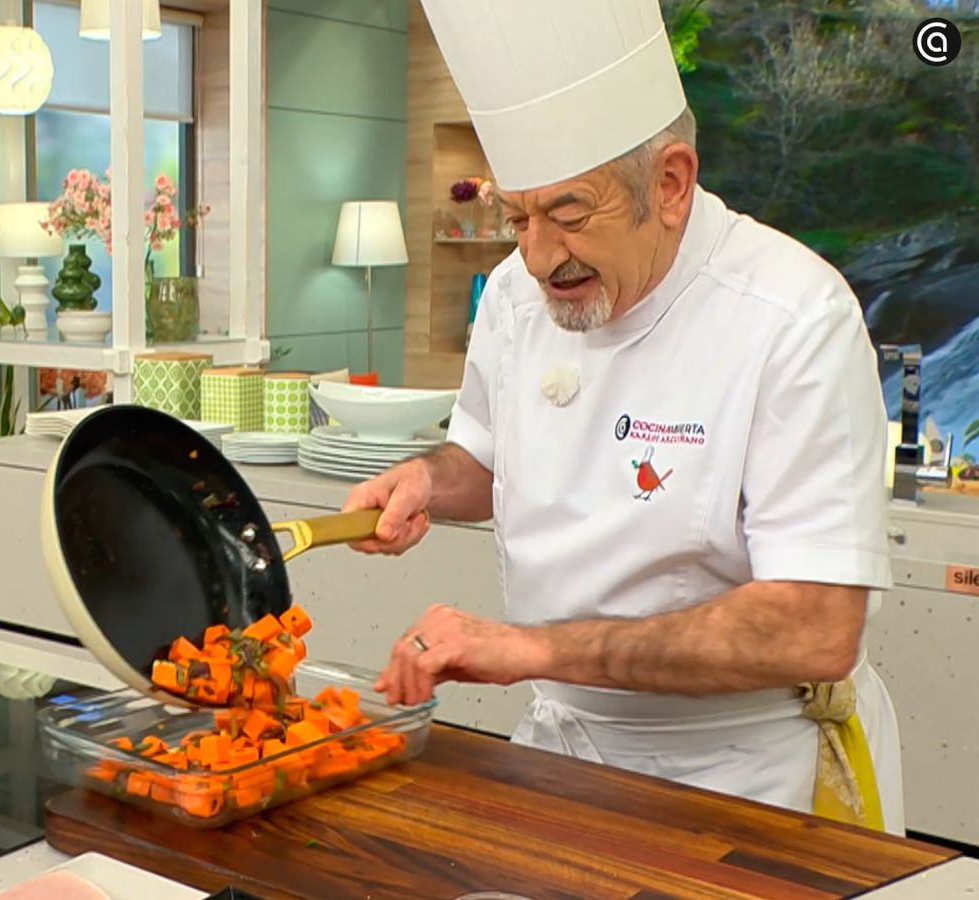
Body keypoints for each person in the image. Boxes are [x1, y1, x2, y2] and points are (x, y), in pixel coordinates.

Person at [342, 0, 904, 834]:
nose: (538, 256)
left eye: (570, 216)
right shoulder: (513, 294)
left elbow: (814, 626)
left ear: (670, 184)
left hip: (748, 780)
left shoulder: (794, 317)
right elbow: (489, 461)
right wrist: (427, 479)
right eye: (517, 218)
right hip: (561, 756)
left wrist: (530, 648)